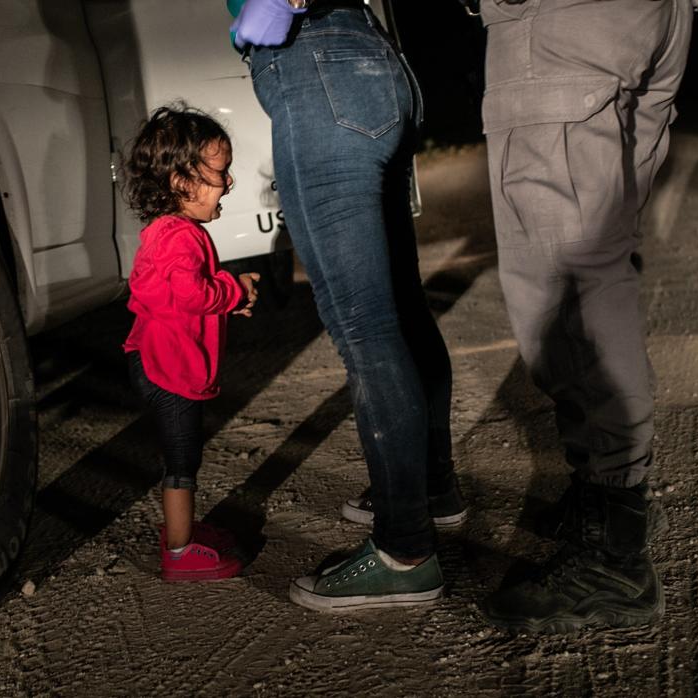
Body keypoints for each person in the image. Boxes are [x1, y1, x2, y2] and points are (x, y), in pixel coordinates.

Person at [230, 0, 465, 611]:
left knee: (364, 325)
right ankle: (431, 489)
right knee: (400, 311)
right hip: (375, 63)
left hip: (317, 68)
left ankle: (404, 551)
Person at [475, 0, 698, 632]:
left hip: (567, 27)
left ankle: (614, 553)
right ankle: (605, 501)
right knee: (599, 263)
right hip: (641, 21)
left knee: (566, 285)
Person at [122, 105, 261, 582]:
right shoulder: (179, 237)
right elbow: (190, 293)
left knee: (181, 455)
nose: (227, 183)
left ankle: (183, 531)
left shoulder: (168, 233)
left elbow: (178, 294)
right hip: (169, 369)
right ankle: (179, 551)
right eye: (219, 174)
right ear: (182, 182)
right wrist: (234, 290)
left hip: (156, 360)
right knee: (182, 460)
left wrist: (226, 297)